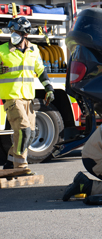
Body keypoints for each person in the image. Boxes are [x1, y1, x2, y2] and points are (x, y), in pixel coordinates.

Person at [0, 17, 54, 172]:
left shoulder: (33, 50)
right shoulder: (2, 50)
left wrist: (49, 88)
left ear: (25, 34)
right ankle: (21, 165)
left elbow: (41, 70)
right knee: (24, 129)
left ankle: (11, 160)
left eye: (16, 31)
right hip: (11, 97)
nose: (13, 34)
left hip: (28, 98)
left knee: (30, 133)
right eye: (12, 31)